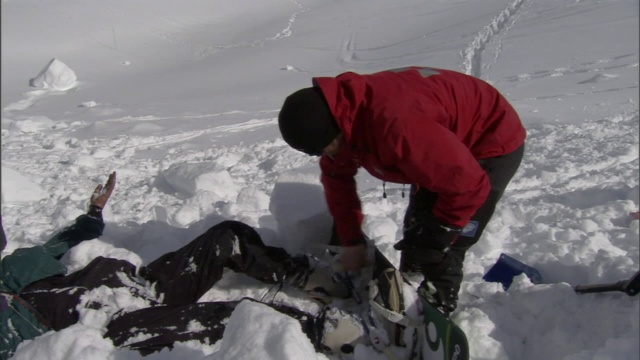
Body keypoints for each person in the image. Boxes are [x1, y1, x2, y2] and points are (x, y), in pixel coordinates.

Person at [0, 172, 394, 359]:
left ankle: (312, 277)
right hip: (105, 330)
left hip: (134, 289)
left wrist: (93, 212)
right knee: (234, 316)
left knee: (228, 236)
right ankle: (335, 336)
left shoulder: (17, 262)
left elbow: (64, 242)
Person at [278, 66, 526, 316]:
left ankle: (437, 308)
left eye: (325, 149)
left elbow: (468, 186)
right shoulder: (339, 119)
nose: (326, 156)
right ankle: (410, 283)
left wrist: (440, 234)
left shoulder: (397, 126)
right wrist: (351, 241)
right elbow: (338, 183)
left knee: (446, 240)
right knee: (419, 226)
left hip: (489, 139)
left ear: (336, 132)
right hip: (439, 144)